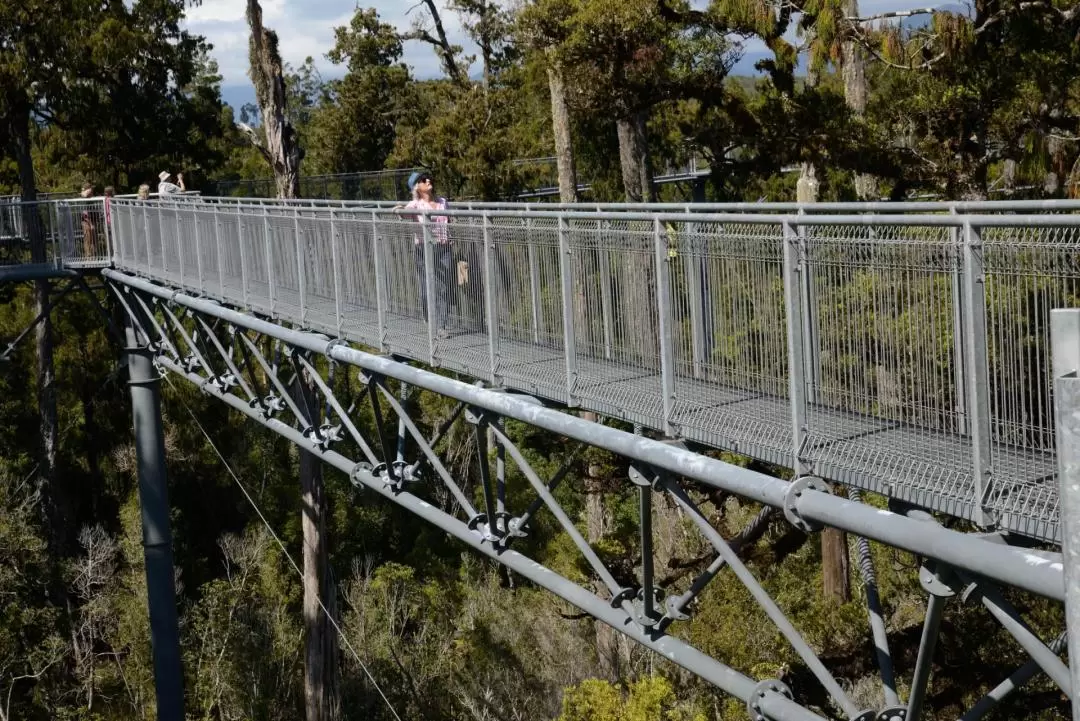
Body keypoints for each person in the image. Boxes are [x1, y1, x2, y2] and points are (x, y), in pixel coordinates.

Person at [402, 171, 453, 337]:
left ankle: (441, 326)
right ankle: (428, 316)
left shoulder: (442, 202)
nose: (428, 180)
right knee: (426, 289)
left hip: (443, 248)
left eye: (429, 178)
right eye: (424, 180)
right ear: (417, 187)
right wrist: (399, 210)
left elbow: (450, 221)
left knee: (443, 288)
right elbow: (405, 213)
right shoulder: (415, 204)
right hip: (423, 249)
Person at [79, 181, 97, 258]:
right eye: (90, 189)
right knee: (88, 238)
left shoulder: (90, 198)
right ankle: (88, 256)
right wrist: (91, 224)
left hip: (92, 219)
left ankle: (94, 255)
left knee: (93, 238)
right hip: (86, 221)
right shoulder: (84, 198)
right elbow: (86, 214)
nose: (92, 191)